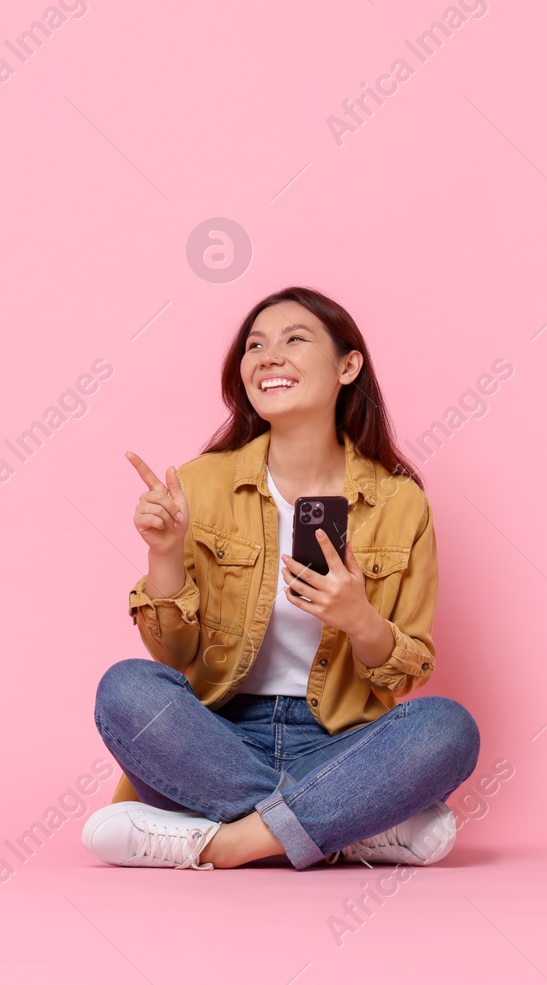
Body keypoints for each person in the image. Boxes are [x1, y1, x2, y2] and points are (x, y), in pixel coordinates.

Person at [82, 287, 480, 871]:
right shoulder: (200, 482)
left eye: (295, 340)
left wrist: (359, 620)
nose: (268, 356)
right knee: (126, 688)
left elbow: (409, 667)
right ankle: (345, 829)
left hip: (340, 743)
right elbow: (173, 655)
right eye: (255, 345)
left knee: (448, 728)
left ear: (348, 366)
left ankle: (225, 842)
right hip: (219, 739)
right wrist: (164, 555)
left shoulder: (399, 503)